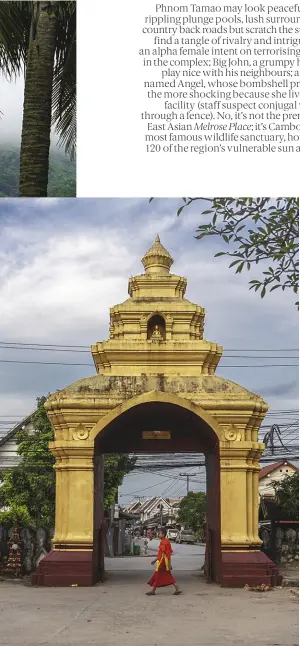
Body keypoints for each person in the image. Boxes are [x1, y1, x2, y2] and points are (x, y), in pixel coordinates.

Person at [146, 527, 182, 596]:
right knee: (166, 575)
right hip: (161, 561)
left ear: (163, 534)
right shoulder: (163, 541)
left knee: (158, 575)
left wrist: (169, 564)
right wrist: (155, 560)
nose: (158, 535)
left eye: (159, 533)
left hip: (163, 562)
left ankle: (153, 590)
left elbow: (167, 554)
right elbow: (161, 554)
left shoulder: (165, 542)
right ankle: (177, 587)